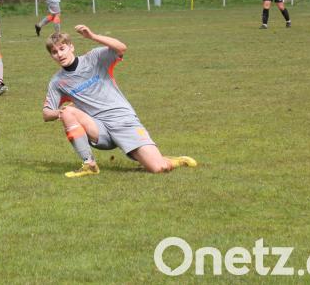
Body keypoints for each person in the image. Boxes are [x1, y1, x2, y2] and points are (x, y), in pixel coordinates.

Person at [42, 26, 197, 177]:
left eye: (62, 49)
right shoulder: (57, 82)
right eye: (54, 52)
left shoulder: (94, 58)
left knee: (158, 168)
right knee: (68, 112)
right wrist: (59, 112)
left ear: (71, 47)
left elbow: (121, 48)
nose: (60, 54)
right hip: (98, 128)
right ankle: (89, 165)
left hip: (122, 120)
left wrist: (93, 36)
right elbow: (46, 113)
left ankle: (172, 160)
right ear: (51, 56)